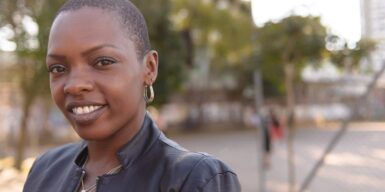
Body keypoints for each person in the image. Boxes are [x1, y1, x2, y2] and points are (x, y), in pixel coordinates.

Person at [23, 0, 241, 191]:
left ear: (149, 68)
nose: (74, 85)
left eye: (102, 62)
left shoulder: (193, 178)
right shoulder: (45, 170)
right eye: (58, 68)